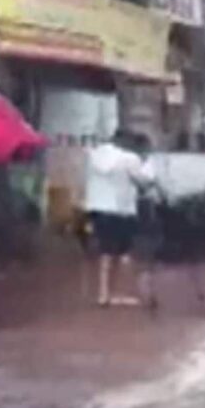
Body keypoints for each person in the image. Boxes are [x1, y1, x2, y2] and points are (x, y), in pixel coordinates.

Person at [84, 129, 153, 307]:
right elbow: (143, 182)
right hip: (121, 209)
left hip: (97, 208)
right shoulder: (130, 158)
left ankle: (103, 294)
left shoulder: (94, 155)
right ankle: (127, 291)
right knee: (124, 252)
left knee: (105, 252)